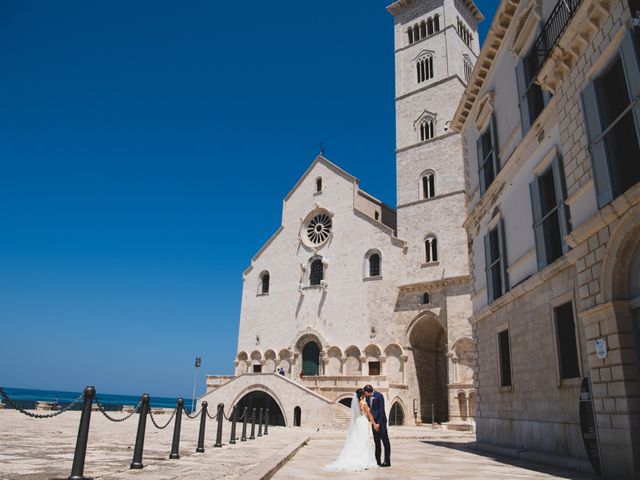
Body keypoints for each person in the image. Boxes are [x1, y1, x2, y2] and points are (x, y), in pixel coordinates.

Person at [323, 388, 378, 472]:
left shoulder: (357, 403)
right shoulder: (364, 403)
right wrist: (374, 424)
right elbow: (369, 415)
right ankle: (362, 460)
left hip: (358, 422)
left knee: (358, 440)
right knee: (364, 441)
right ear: (363, 395)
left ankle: (356, 457)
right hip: (363, 422)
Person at [363, 384, 391, 467]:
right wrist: (372, 422)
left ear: (369, 392)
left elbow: (381, 410)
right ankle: (377, 461)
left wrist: (378, 423)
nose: (365, 395)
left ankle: (387, 461)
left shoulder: (379, 396)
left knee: (385, 442)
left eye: (365, 393)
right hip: (374, 423)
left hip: (381, 422)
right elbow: (369, 410)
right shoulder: (367, 397)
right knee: (377, 442)